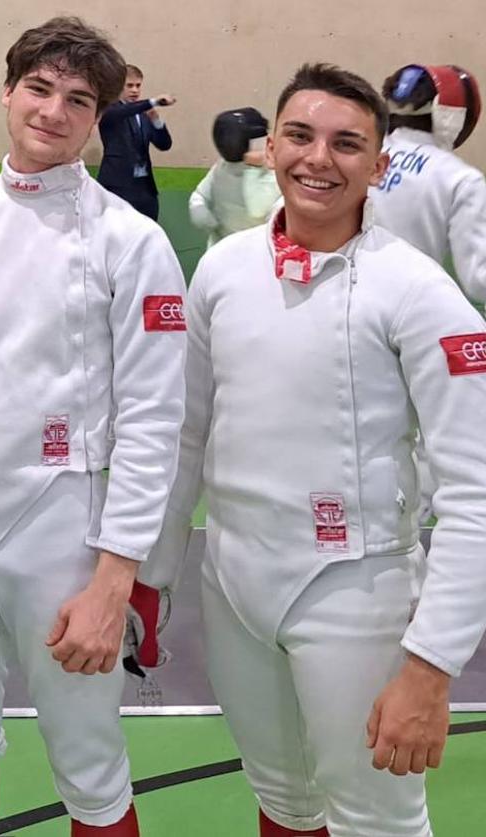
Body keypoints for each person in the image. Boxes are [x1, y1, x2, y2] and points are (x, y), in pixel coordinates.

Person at [150, 63, 486, 837]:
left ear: (377, 165)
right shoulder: (224, 269)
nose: (317, 159)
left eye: (346, 144)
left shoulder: (419, 292)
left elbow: (473, 493)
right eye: (299, 136)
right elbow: (187, 430)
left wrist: (430, 666)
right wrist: (154, 572)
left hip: (354, 594)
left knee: (378, 820)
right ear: (270, 147)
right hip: (233, 585)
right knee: (283, 802)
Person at [0, 18, 186, 836]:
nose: (53, 111)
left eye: (77, 99)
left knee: (89, 763)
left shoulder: (131, 243)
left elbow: (153, 420)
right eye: (39, 88)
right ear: (8, 90)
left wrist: (113, 582)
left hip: (60, 524)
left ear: (97, 117)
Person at [373, 64, 485, 303]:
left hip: (339, 309)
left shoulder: (359, 153)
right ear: (453, 115)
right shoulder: (460, 179)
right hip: (411, 313)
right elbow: (478, 281)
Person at [189, 107, 280, 248]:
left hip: (255, 252)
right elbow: (199, 196)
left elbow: (257, 209)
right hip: (222, 248)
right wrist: (204, 214)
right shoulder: (222, 167)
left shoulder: (272, 171)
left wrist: (254, 169)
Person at [96, 64, 175, 220]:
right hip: (118, 186)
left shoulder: (144, 114)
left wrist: (156, 121)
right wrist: (153, 101)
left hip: (145, 187)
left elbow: (164, 145)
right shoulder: (110, 110)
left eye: (138, 85)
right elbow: (124, 111)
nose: (135, 90)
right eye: (130, 85)